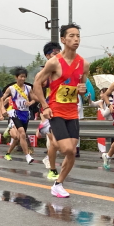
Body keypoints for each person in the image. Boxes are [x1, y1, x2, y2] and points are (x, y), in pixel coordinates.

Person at [33, 23, 89, 198]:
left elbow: (83, 86)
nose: (76, 39)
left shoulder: (84, 64)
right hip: (56, 110)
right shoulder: (54, 62)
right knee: (67, 150)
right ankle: (53, 137)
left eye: (78, 36)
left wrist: (82, 90)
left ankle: (58, 184)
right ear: (63, 40)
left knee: (72, 151)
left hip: (72, 111)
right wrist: (45, 105)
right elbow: (36, 83)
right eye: (71, 36)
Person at [35, 41, 61, 178]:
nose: (58, 55)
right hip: (49, 111)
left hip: (63, 110)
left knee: (59, 144)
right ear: (47, 56)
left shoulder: (63, 71)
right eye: (54, 53)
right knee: (54, 142)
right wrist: (44, 107)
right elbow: (37, 87)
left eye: (59, 52)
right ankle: (52, 168)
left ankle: (50, 160)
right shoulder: (44, 73)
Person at [2, 67, 37, 164]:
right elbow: (1, 98)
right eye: (21, 77)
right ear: (16, 77)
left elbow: (34, 99)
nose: (23, 79)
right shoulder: (12, 88)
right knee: (22, 133)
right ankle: (27, 156)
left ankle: (8, 153)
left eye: (24, 77)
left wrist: (30, 103)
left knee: (19, 137)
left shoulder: (28, 88)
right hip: (15, 113)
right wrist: (2, 109)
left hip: (25, 114)